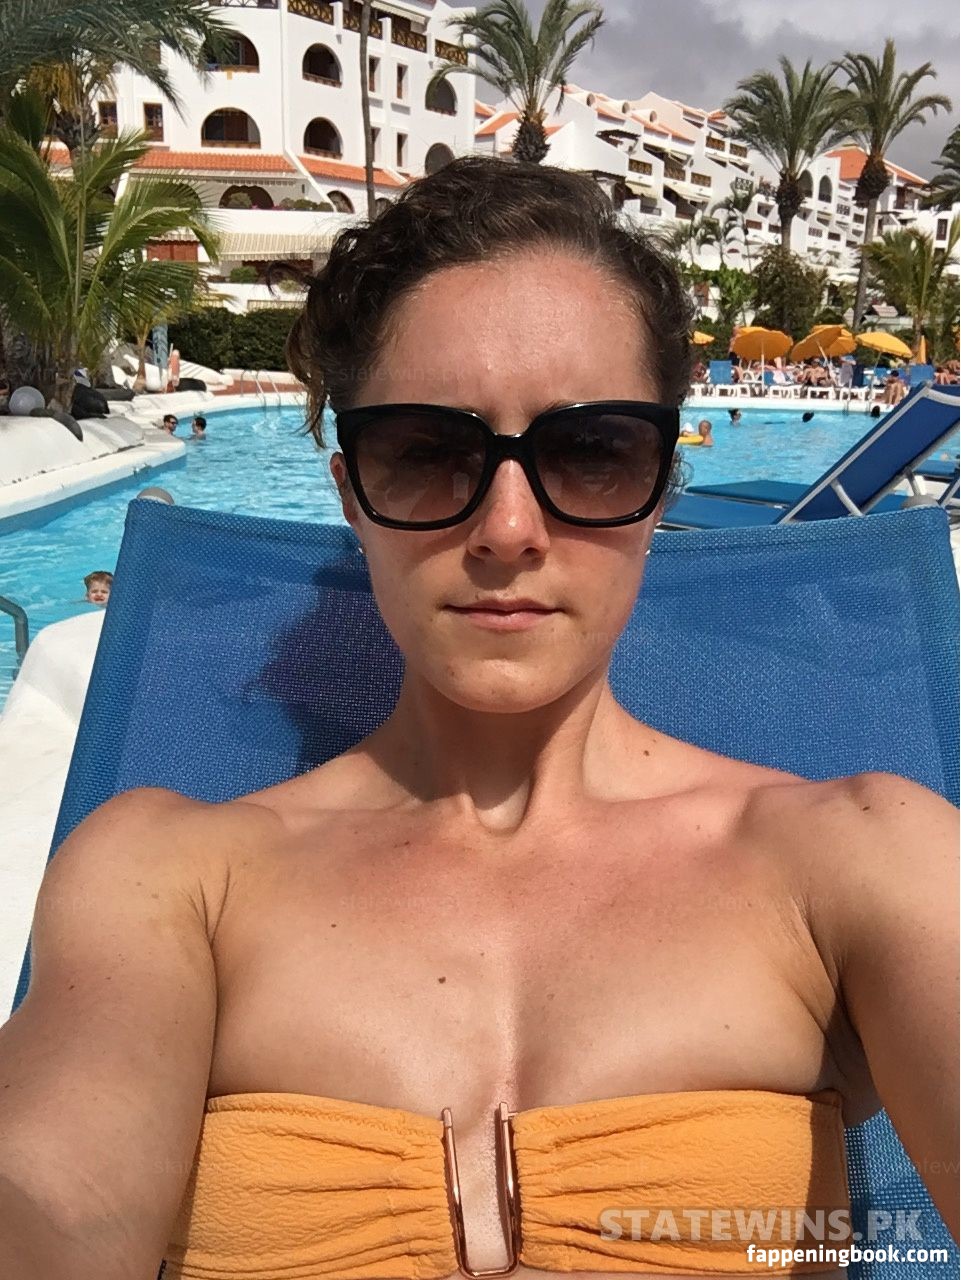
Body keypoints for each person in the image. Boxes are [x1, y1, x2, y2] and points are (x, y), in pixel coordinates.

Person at [0, 156, 956, 1280]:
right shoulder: (169, 877)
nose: (507, 529)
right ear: (351, 491)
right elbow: (55, 1198)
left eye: (590, 450)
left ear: (659, 481)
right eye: (428, 453)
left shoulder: (857, 857)